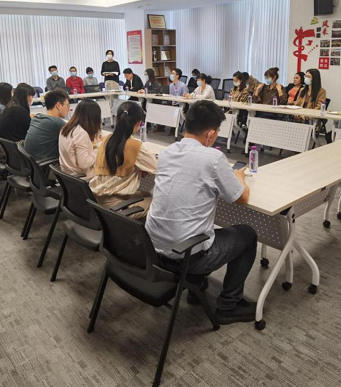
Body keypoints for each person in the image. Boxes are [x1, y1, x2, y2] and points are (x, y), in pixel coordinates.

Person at [145, 101, 255, 323]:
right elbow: (241, 197)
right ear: (211, 134)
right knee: (248, 235)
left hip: (153, 249)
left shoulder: (166, 152)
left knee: (198, 225)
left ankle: (196, 285)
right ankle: (228, 305)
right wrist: (239, 177)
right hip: (185, 256)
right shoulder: (212, 158)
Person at [90, 102, 157, 219]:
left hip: (97, 200)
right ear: (138, 124)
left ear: (117, 119)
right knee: (157, 204)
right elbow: (158, 169)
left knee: (146, 194)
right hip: (115, 206)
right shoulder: (135, 146)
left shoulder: (106, 139)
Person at [59, 99, 101, 180]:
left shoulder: (65, 129)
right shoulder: (81, 134)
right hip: (82, 178)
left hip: (67, 174)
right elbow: (84, 164)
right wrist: (97, 150)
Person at [24, 89, 69, 161]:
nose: (68, 108)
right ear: (58, 105)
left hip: (31, 163)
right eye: (67, 105)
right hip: (46, 165)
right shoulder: (57, 123)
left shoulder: (37, 117)